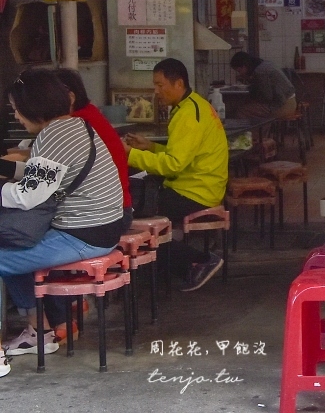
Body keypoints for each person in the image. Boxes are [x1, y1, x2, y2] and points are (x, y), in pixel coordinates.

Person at [0, 69, 124, 371]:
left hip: (83, 236)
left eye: (15, 108)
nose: (15, 116)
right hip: (99, 229)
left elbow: (30, 195)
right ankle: (39, 332)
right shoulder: (74, 125)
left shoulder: (53, 136)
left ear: (33, 106)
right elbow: (43, 177)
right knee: (11, 245)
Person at [123, 58, 229, 292]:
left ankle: (197, 262)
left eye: (160, 85)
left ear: (178, 83)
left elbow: (173, 165)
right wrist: (150, 147)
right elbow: (181, 156)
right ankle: (175, 265)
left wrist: (130, 155)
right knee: (141, 210)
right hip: (198, 184)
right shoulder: (192, 106)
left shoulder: (188, 115)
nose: (156, 91)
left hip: (195, 192)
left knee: (136, 220)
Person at [53, 69, 133, 229]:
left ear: (70, 97)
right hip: (117, 211)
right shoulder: (89, 113)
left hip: (105, 218)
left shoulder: (76, 124)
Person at [229, 51, 297, 119]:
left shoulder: (260, 72)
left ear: (244, 66)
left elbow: (267, 97)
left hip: (284, 106)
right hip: (290, 101)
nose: (240, 74)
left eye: (239, 71)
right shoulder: (265, 64)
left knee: (242, 111)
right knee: (251, 107)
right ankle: (261, 129)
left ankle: (254, 130)